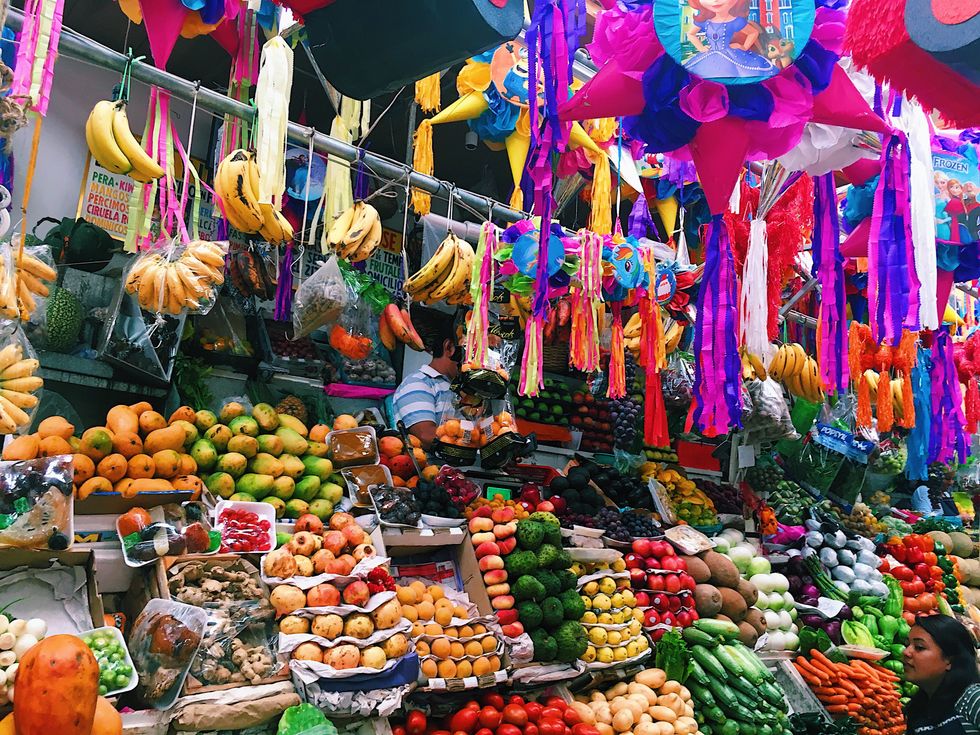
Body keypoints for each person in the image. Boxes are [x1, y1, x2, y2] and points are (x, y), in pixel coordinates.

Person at [391, 309, 460, 449]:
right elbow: (426, 436)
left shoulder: (461, 387)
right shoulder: (417, 383)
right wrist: (475, 441)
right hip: (433, 469)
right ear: (449, 348)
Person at [903, 614, 980, 734]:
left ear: (949, 660)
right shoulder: (917, 710)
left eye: (919, 647)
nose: (906, 652)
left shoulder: (973, 699)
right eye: (907, 644)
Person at [683, 0, 776, 79]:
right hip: (708, 55)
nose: (716, 1)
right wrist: (701, 47)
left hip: (731, 55)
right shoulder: (704, 21)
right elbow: (691, 34)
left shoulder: (735, 21)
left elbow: (753, 33)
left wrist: (743, 47)